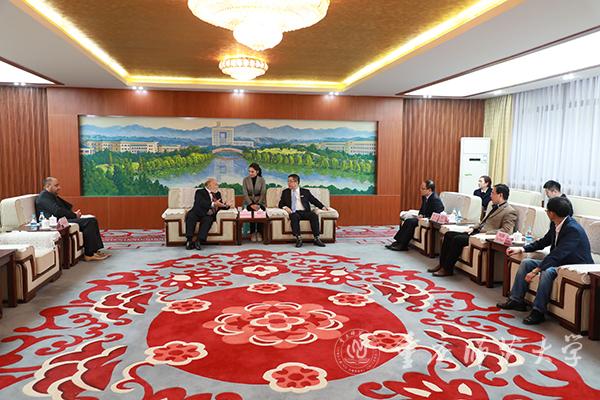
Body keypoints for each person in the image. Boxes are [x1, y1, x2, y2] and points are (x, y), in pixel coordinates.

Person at [497, 196, 592, 325]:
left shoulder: (572, 229)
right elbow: (543, 242)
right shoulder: (556, 223)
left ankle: (538, 311)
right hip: (560, 262)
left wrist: (536, 271)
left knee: (547, 272)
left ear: (552, 213)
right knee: (526, 263)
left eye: (547, 210)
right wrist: (522, 249)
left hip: (573, 265)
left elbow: (557, 254)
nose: (546, 212)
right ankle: (516, 300)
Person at [431, 183, 518, 277]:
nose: (490, 195)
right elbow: (483, 222)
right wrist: (473, 227)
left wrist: (486, 233)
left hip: (484, 236)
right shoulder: (493, 206)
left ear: (500, 195)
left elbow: (506, 230)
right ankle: (442, 264)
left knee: (457, 239)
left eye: (492, 193)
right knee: (448, 234)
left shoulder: (509, 211)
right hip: (476, 232)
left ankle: (447, 269)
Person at [35, 177, 108, 262]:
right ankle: (89, 254)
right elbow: (57, 211)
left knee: (92, 219)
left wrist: (74, 214)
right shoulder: (43, 197)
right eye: (56, 185)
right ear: (48, 186)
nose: (59, 187)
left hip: (62, 220)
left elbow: (63, 208)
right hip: (55, 223)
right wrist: (74, 215)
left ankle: (94, 251)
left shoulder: (50, 195)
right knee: (89, 222)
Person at [386, 179, 444, 251]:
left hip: (428, 220)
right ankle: (398, 242)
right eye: (421, 188)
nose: (420, 190)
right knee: (408, 221)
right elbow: (422, 208)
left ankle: (403, 245)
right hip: (423, 217)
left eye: (423, 189)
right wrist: (420, 214)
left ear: (429, 190)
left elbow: (438, 212)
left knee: (411, 222)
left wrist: (425, 217)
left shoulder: (435, 199)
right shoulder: (425, 196)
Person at [278, 174, 328, 248]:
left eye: (290, 181)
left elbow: (313, 200)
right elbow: (281, 203)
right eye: (288, 181)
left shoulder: (305, 192)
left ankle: (316, 238)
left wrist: (322, 207)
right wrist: (285, 207)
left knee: (314, 215)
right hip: (294, 212)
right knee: (294, 216)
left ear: (296, 182)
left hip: (305, 212)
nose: (288, 183)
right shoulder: (285, 192)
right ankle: (298, 238)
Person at [185, 178, 232, 251]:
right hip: (197, 212)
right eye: (215, 184)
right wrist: (213, 204)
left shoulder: (218, 194)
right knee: (191, 216)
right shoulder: (200, 192)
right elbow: (200, 203)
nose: (217, 185)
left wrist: (226, 206)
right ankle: (189, 240)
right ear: (209, 185)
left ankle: (199, 241)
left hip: (208, 214)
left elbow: (219, 205)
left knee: (208, 220)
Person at [242, 163, 267, 242]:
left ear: (257, 171)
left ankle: (259, 233)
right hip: (248, 202)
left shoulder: (262, 180)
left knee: (260, 211)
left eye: (252, 171)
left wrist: (258, 204)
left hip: (260, 202)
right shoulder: (245, 180)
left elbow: (263, 193)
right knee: (251, 211)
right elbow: (245, 193)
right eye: (249, 171)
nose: (250, 173)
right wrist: (251, 204)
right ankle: (252, 233)